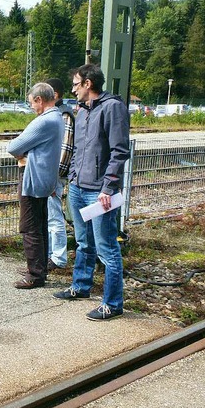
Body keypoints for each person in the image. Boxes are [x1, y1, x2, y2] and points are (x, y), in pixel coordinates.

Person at [53, 64, 130, 321]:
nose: (72, 89)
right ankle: (81, 286)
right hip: (78, 187)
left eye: (76, 84)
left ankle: (112, 304)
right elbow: (78, 149)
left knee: (107, 248)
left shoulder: (112, 108)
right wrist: (72, 178)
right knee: (84, 242)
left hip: (99, 192)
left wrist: (108, 187)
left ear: (88, 83)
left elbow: (119, 152)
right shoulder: (83, 110)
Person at [7, 83, 64, 289]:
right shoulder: (58, 117)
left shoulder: (43, 121)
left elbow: (13, 147)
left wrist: (25, 154)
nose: (31, 106)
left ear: (40, 99)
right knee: (40, 225)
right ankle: (40, 268)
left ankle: (35, 275)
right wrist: (30, 152)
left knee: (30, 227)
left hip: (33, 178)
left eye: (31, 102)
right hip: (46, 179)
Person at [45, 78, 75, 272]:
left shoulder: (64, 115)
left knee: (54, 217)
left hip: (54, 175)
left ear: (55, 95)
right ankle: (50, 255)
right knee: (49, 216)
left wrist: (54, 175)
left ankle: (58, 258)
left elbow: (65, 148)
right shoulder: (59, 114)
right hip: (51, 174)